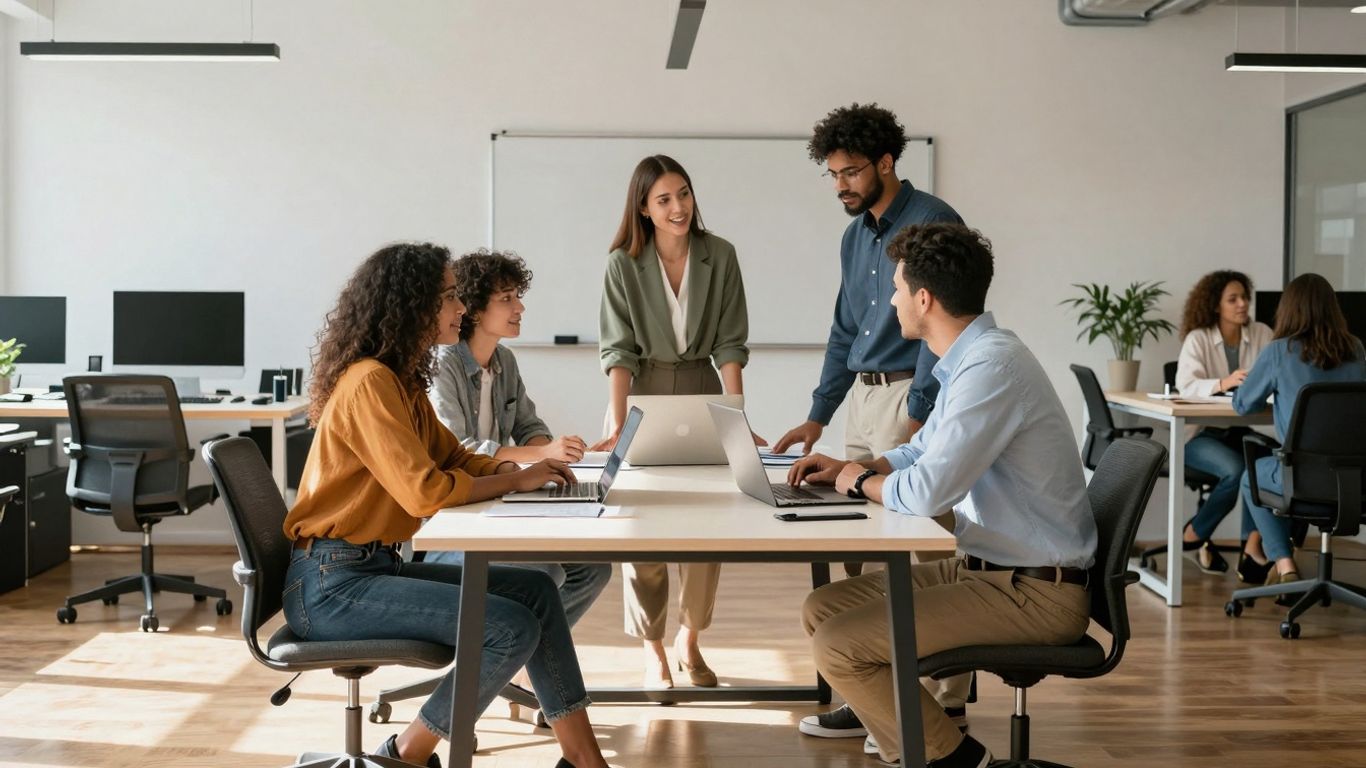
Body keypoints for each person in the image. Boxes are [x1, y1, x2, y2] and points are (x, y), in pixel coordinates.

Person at [281, 242, 609, 768]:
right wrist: (515, 480)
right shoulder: (370, 383)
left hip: (372, 567)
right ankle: (406, 754)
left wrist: (519, 475)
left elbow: (453, 456)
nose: (461, 307)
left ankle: (583, 759)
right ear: (414, 305)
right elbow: (425, 491)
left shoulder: (400, 381)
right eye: (451, 297)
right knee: (510, 626)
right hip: (331, 586)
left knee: (538, 592)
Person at [791, 223, 1096, 768]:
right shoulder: (971, 359)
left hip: (1035, 593)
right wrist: (858, 467)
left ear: (924, 299)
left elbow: (929, 492)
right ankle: (899, 729)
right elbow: (919, 451)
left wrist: (856, 483)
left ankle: (958, 760)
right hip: (989, 569)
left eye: (897, 288)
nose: (892, 300)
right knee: (825, 608)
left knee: (837, 645)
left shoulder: (992, 367)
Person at [774, 103, 967, 742]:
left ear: (886, 163)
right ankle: (873, 687)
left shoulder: (933, 219)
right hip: (862, 396)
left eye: (851, 172)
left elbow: (938, 322)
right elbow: (844, 330)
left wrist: (918, 410)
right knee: (860, 548)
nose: (841, 186)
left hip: (910, 393)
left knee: (922, 544)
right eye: (833, 174)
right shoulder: (854, 236)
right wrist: (817, 415)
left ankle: (946, 698)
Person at [594, 154, 751, 690]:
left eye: (683, 193)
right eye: (663, 199)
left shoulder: (719, 254)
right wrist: (620, 425)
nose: (678, 207)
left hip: (703, 387)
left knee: (709, 523)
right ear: (644, 208)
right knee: (641, 526)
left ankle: (690, 636)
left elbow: (730, 342)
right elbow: (618, 352)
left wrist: (736, 413)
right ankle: (652, 648)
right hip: (640, 393)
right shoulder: (623, 264)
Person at [427, 249, 611, 641]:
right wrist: (542, 454)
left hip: (497, 502)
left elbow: (529, 427)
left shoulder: (504, 361)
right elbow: (459, 448)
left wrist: (561, 457)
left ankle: (529, 654)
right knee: (546, 572)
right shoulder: (442, 364)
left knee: (593, 568)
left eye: (517, 297)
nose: (520, 307)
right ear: (475, 309)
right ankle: (520, 654)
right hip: (453, 520)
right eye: (507, 299)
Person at [1233, 272, 1366, 589]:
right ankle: (1266, 554)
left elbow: (1243, 404)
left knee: (1250, 476)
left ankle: (1284, 563)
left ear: (1288, 310)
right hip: (1354, 480)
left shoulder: (1279, 351)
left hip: (1301, 478)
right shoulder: (1357, 349)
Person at [1173, 270, 1274, 577]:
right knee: (1238, 469)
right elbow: (1185, 386)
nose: (1242, 304)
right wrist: (1223, 383)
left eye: (1244, 297)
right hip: (1199, 435)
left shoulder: (1262, 333)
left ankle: (1251, 547)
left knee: (1270, 464)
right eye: (1233, 299)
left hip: (1238, 431)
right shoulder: (1199, 338)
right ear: (1216, 305)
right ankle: (1195, 531)